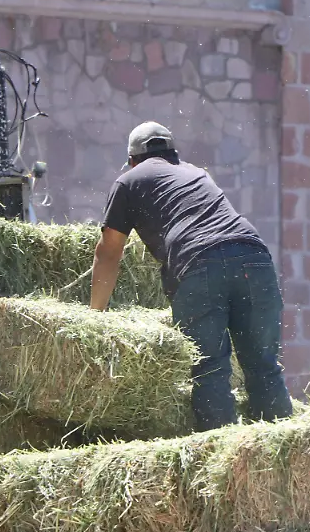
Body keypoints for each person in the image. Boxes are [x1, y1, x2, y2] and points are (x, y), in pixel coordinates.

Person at [90, 121, 293, 432]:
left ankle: (222, 455)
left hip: (200, 263)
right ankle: (279, 453)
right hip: (254, 257)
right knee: (264, 366)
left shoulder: (128, 181)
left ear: (131, 160)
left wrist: (95, 316)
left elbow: (109, 251)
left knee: (209, 370)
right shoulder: (197, 173)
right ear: (174, 154)